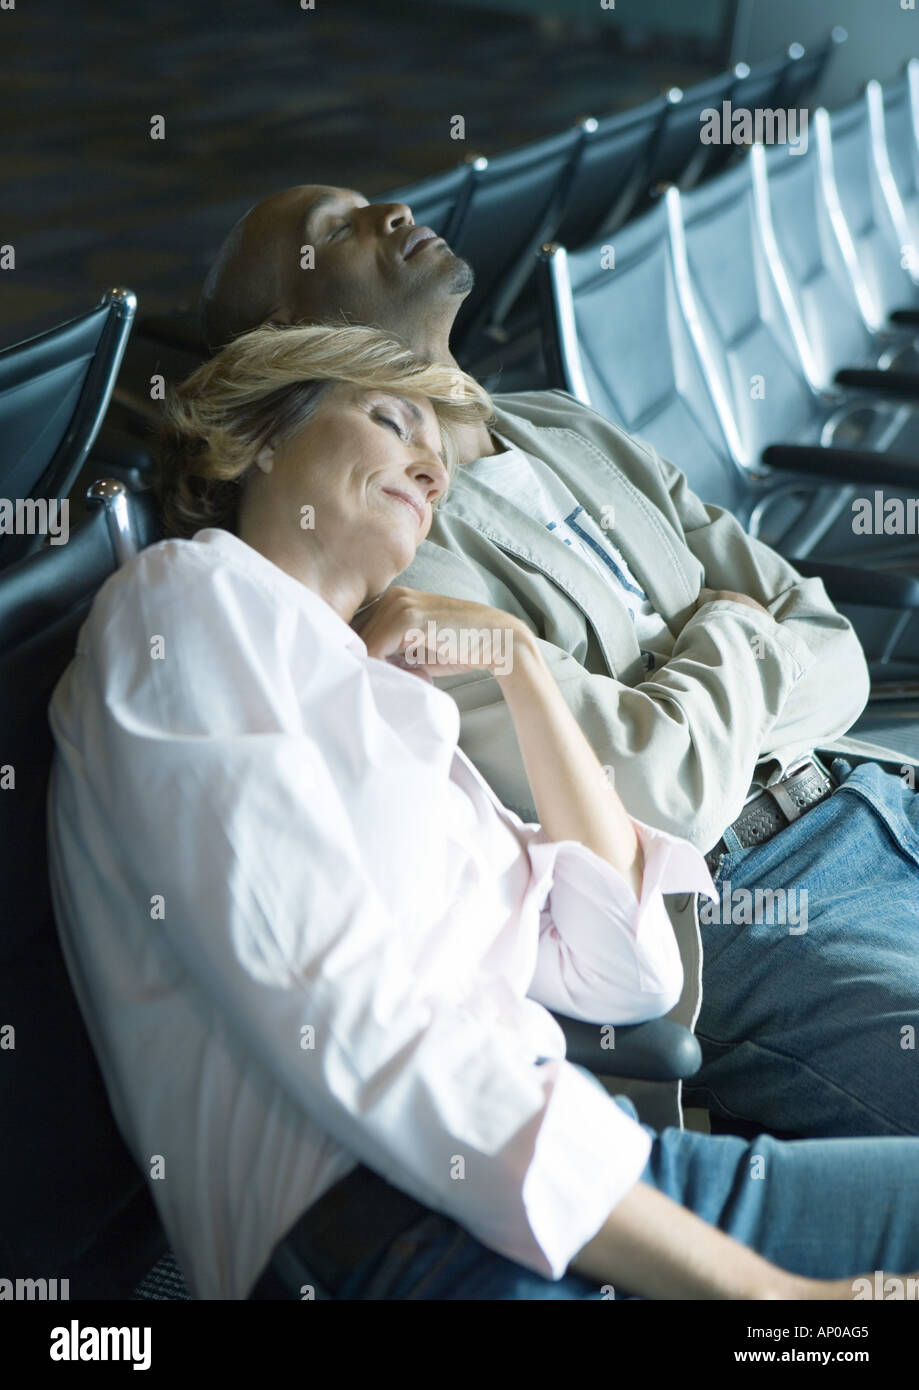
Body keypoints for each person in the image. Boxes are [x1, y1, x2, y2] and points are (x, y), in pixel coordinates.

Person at [47, 323, 919, 1302]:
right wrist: (760, 1293)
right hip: (407, 1237)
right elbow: (348, 1021)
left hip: (585, 1181)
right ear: (253, 441)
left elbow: (626, 970)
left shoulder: (388, 695)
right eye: (388, 421)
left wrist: (515, 661)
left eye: (434, 446)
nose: (430, 465)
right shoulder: (188, 607)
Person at [193, 184, 919, 1143]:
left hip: (873, 787)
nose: (394, 211)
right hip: (760, 908)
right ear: (292, 332)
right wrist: (735, 631)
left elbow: (835, 651)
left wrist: (695, 689)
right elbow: (663, 794)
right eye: (338, 230)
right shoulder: (391, 549)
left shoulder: (563, 426)